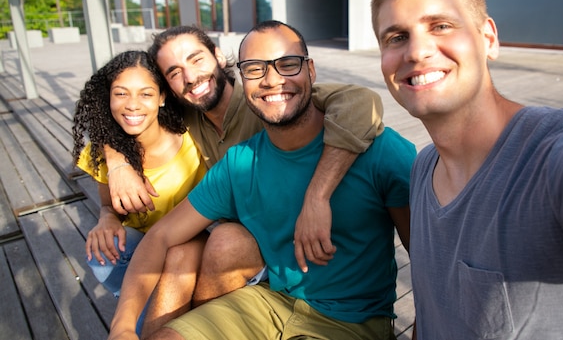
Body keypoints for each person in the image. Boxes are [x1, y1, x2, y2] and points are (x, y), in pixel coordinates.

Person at [107, 20, 415, 340]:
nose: (271, 80)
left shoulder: (379, 150)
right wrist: (122, 327)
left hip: (351, 320)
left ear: (311, 70)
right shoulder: (238, 161)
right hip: (269, 302)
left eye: (287, 64)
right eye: (255, 68)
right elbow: (159, 237)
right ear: (241, 77)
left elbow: (429, 262)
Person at [371, 0, 563, 339]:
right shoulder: (424, 168)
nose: (417, 51)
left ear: (488, 38)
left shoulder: (558, 160)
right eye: (397, 37)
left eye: (440, 25)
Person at [72, 51, 207, 303]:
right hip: (141, 247)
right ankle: (143, 304)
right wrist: (107, 220)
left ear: (162, 97)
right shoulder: (103, 151)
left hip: (188, 243)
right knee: (102, 251)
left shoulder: (192, 137)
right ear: (108, 98)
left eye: (146, 94)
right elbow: (107, 206)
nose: (132, 104)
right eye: (121, 93)